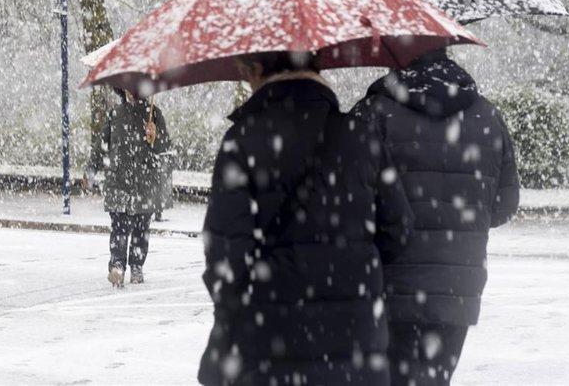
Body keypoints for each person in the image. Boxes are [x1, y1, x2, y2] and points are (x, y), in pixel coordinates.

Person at [198, 53, 413, 385]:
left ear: (258, 70)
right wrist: (352, 269)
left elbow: (226, 258)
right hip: (356, 343)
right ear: (316, 67)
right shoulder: (362, 136)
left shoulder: (242, 142)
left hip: (270, 346)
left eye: (246, 72)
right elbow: (398, 229)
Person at [350, 48, 520, 385]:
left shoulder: (374, 113)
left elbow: (351, 199)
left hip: (389, 286)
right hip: (458, 289)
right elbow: (504, 205)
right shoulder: (486, 115)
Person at [84, 88, 172, 287]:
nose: (132, 92)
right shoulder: (115, 114)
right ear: (122, 89)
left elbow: (166, 149)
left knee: (141, 227)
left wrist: (155, 137)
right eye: (128, 88)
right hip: (118, 181)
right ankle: (117, 264)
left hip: (145, 182)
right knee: (119, 227)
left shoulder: (154, 114)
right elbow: (101, 145)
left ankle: (137, 265)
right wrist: (90, 170)